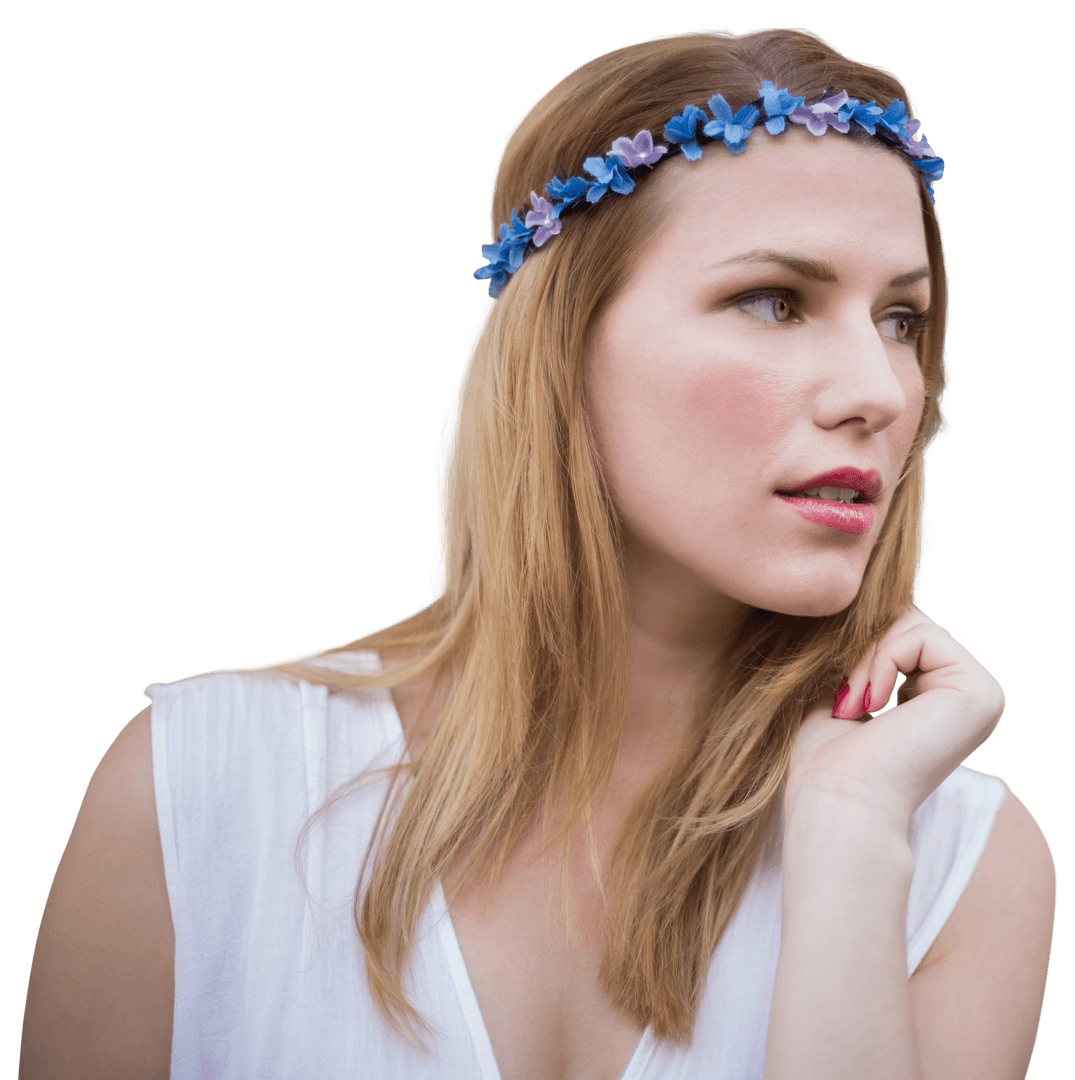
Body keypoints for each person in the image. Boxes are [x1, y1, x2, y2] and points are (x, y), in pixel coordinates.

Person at [19, 25, 1055, 1080]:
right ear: (560, 341)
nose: (881, 392)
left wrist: (847, 835)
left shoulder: (959, 861)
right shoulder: (199, 788)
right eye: (773, 300)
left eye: (900, 319)